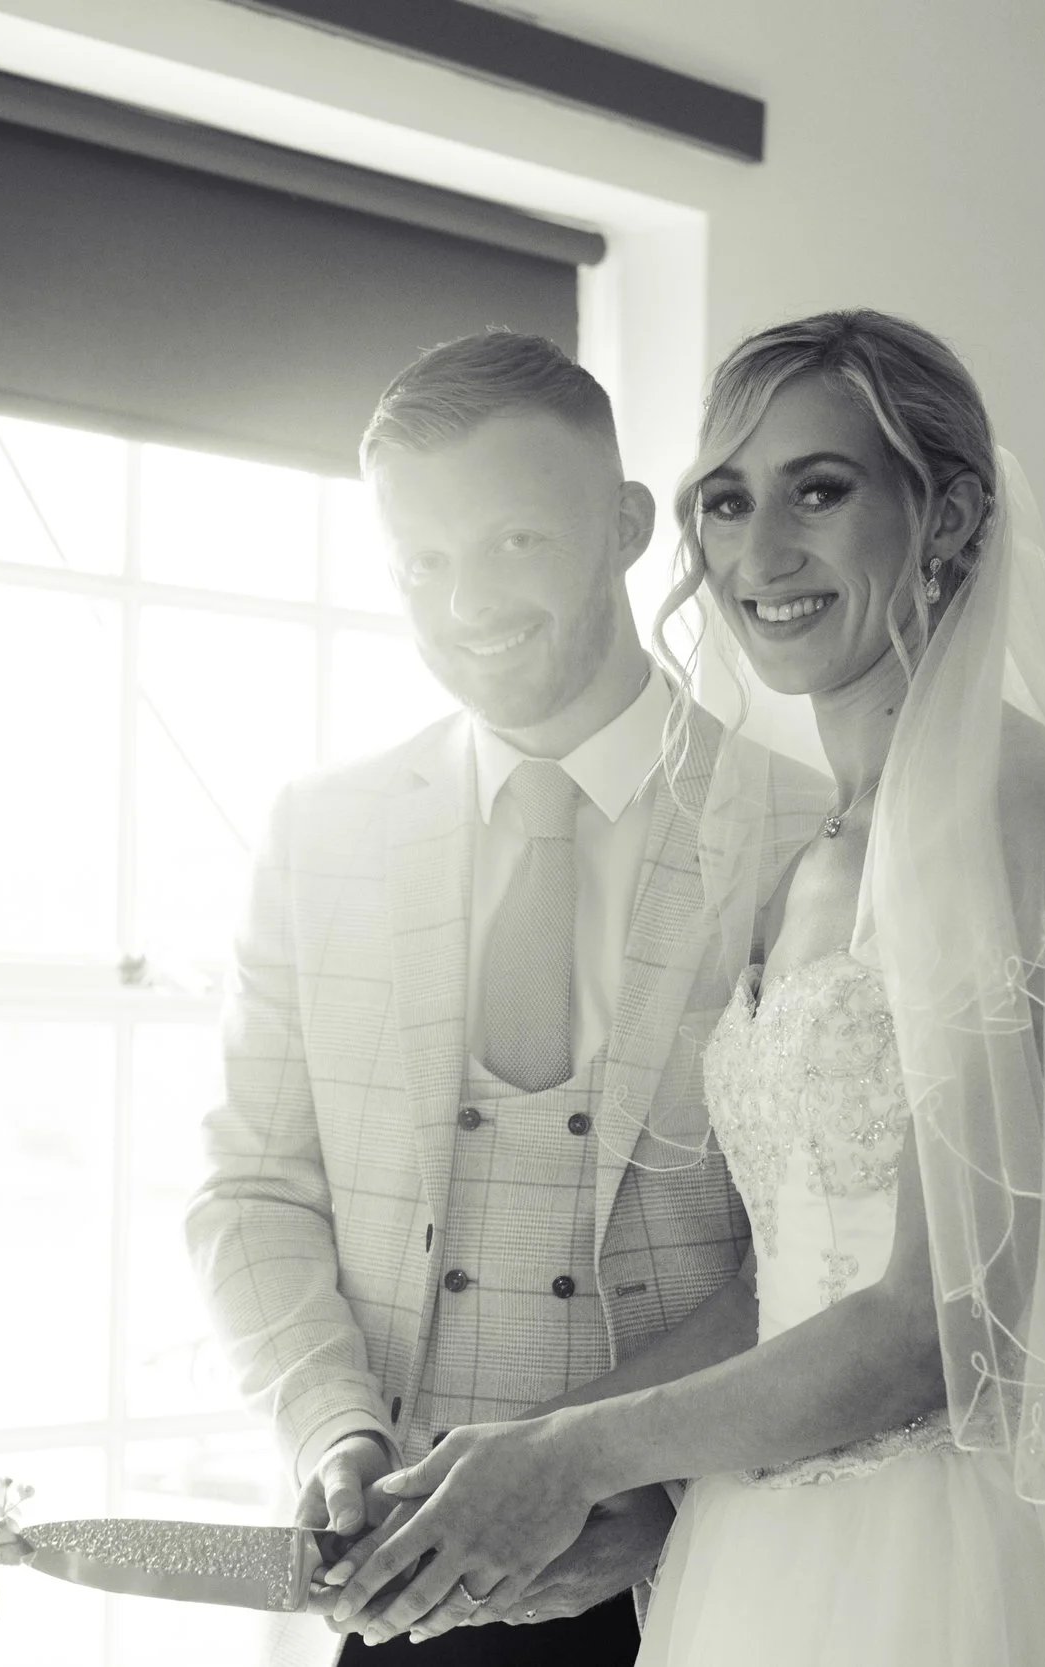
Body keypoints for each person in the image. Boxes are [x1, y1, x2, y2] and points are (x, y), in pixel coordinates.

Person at [320, 311, 1045, 1666]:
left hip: (973, 1573)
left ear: (947, 517)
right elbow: (787, 1284)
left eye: (818, 490)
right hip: (766, 1565)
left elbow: (942, 1328)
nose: (760, 553)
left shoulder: (1026, 811)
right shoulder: (818, 849)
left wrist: (572, 1448)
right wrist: (538, 1473)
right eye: (728, 502)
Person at [185, 330, 830, 1666]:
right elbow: (248, 1193)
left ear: (627, 524)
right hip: (405, 1588)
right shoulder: (322, 834)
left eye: (513, 542)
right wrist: (336, 1430)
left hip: (708, 1580)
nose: (466, 598)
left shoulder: (801, 836)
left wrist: (632, 1479)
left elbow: (828, 1251)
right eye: (422, 560)